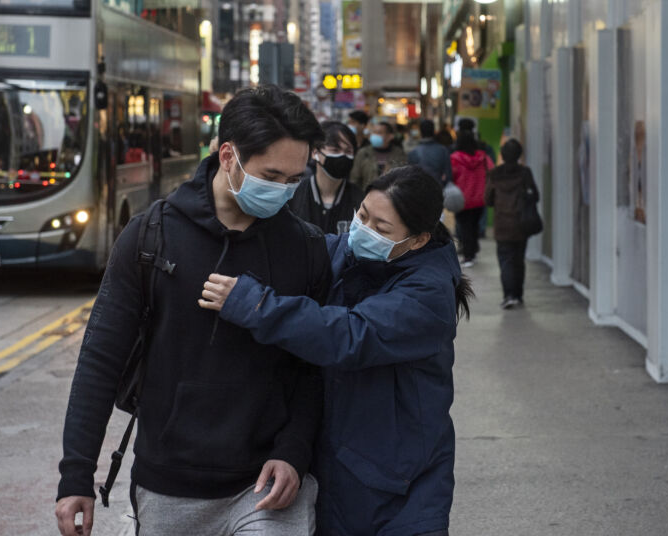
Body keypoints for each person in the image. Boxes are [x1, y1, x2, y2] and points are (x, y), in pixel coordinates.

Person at [56, 85, 331, 536]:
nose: (283, 191)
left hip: (266, 484)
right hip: (168, 484)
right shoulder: (150, 237)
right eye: (271, 176)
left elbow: (312, 367)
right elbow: (99, 361)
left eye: (294, 179)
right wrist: (76, 475)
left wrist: (294, 451)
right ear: (228, 156)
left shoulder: (304, 248)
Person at [199, 165, 473, 536]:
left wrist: (255, 305)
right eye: (362, 215)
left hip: (402, 482)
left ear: (418, 240)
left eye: (382, 228)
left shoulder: (428, 294)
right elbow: (296, 255)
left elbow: (348, 335)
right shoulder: (349, 253)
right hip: (341, 465)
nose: (364, 230)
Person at [484, 138, 539, 309]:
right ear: (519, 155)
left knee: (505, 260)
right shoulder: (525, 173)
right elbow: (535, 196)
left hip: (502, 224)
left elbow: (488, 199)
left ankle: (508, 295)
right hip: (521, 223)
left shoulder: (494, 174)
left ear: (502, 154)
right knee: (518, 259)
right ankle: (518, 295)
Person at [289, 121, 363, 234]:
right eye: (335, 150)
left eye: (348, 151)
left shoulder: (360, 199)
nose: (342, 156)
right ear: (315, 152)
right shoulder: (293, 193)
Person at [451, 130, 493, 267]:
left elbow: (451, 175)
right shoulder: (483, 157)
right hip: (480, 198)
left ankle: (468, 255)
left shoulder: (455, 158)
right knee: (474, 226)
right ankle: (473, 251)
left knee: (464, 227)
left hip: (462, 199)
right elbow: (492, 171)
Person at [350, 121, 407, 191]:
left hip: (391, 198)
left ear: (390, 136)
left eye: (379, 133)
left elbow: (403, 179)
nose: (374, 136)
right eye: (373, 132)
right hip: (367, 197)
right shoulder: (363, 153)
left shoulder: (399, 154)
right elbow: (354, 180)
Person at [407, 119, 453, 185]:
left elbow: (410, 177)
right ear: (433, 131)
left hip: (420, 190)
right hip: (439, 189)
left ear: (420, 132)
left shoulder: (413, 152)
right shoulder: (443, 150)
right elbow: (448, 175)